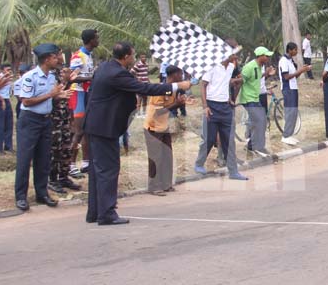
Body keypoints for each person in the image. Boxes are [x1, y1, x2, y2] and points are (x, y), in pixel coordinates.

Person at [84, 42, 190, 224]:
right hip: (104, 127)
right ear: (125, 57)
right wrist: (177, 86)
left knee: (97, 170)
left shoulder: (104, 67)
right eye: (133, 55)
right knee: (108, 170)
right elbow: (145, 89)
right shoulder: (117, 73)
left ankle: (95, 211)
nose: (134, 59)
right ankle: (107, 213)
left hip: (95, 125)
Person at [15, 44, 73, 211]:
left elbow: (49, 99)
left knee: (44, 159)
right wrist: (51, 95)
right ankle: (21, 197)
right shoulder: (30, 77)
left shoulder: (50, 77)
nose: (58, 59)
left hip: (45, 120)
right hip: (30, 120)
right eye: (55, 57)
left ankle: (42, 193)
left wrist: (58, 96)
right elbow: (26, 101)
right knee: (25, 159)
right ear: (47, 59)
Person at [194, 46, 248, 178]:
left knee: (229, 140)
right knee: (209, 138)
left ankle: (233, 171)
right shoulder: (212, 66)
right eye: (235, 54)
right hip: (211, 106)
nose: (236, 57)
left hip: (225, 107)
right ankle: (199, 163)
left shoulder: (230, 68)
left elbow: (224, 83)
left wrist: (229, 98)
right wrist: (205, 106)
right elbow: (203, 85)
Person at [144, 65, 188, 195]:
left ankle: (166, 183)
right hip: (153, 127)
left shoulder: (173, 89)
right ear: (174, 75)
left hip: (164, 126)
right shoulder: (159, 90)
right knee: (155, 157)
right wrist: (177, 104)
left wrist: (181, 102)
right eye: (180, 74)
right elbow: (158, 111)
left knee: (167, 156)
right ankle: (154, 186)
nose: (182, 76)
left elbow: (169, 106)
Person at [68, 29, 99, 177]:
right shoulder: (78, 56)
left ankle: (86, 162)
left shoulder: (89, 55)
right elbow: (72, 78)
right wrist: (91, 79)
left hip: (87, 94)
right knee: (78, 130)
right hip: (78, 93)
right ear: (91, 40)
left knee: (87, 129)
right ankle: (71, 164)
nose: (98, 41)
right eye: (96, 38)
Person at [49, 62, 80, 195]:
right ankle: (52, 180)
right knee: (55, 150)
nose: (63, 73)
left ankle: (63, 177)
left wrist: (71, 118)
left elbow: (66, 97)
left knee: (67, 148)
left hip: (65, 117)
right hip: (54, 119)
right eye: (62, 72)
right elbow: (53, 97)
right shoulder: (50, 78)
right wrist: (66, 81)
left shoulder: (61, 79)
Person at [279, 42, 312, 145]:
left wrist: (302, 71)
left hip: (293, 88)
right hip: (287, 89)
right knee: (290, 112)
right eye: (295, 50)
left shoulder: (290, 60)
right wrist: (301, 70)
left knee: (294, 113)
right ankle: (285, 136)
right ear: (289, 50)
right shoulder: (283, 61)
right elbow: (286, 77)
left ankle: (289, 134)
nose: (296, 52)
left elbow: (294, 76)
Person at [0, 63, 14, 154]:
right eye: (7, 69)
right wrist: (2, 100)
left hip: (7, 100)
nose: (9, 71)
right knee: (0, 124)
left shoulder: (8, 78)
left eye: (10, 69)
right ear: (2, 70)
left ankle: (8, 146)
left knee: (9, 123)